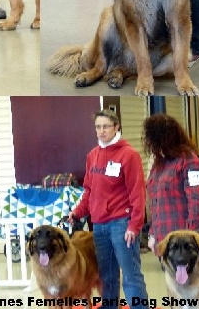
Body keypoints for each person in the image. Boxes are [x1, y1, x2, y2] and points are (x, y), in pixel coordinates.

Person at [68, 110, 149, 309]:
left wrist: (134, 225)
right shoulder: (92, 156)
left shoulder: (128, 155)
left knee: (131, 275)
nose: (101, 131)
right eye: (98, 127)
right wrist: (77, 212)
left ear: (116, 127)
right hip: (99, 225)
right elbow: (88, 191)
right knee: (107, 275)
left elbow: (138, 194)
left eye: (106, 126)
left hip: (122, 224)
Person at [143, 114, 199, 254]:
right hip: (164, 239)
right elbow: (155, 204)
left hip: (185, 242)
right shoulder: (159, 164)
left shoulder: (190, 161)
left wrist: (191, 238)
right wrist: (152, 233)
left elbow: (198, 204)